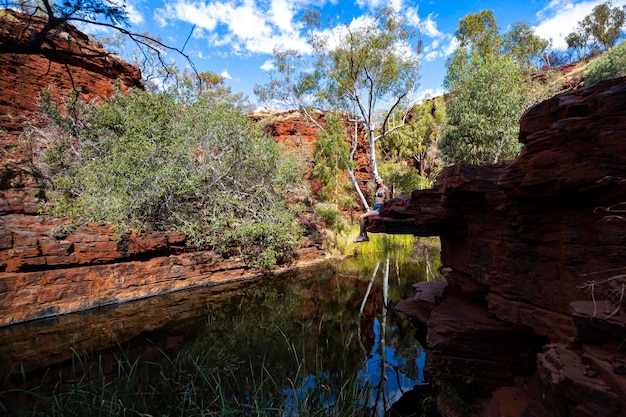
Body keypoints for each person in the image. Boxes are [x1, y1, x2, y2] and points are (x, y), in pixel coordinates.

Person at [354, 175, 390, 242]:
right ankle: (365, 236)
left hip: (379, 208)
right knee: (365, 219)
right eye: (376, 180)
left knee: (361, 217)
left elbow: (388, 201)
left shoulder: (385, 189)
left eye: (378, 179)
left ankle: (360, 235)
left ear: (382, 179)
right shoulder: (377, 189)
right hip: (375, 207)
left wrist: (385, 210)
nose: (377, 180)